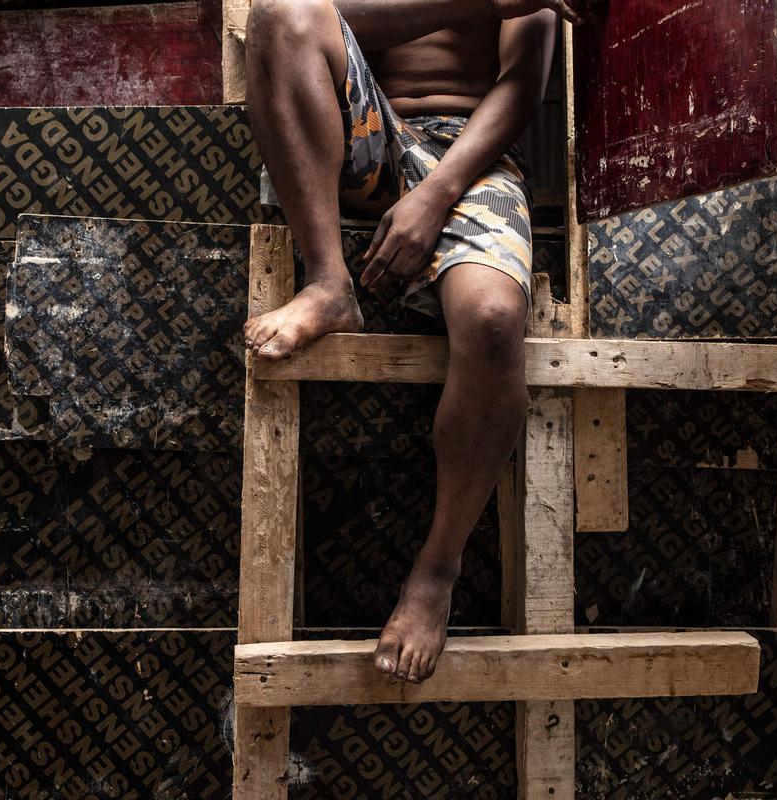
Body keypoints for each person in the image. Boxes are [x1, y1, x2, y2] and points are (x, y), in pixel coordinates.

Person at [243, 0, 582, 683]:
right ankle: (331, 284)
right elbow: (316, 26)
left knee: (491, 322)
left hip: (473, 155)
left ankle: (436, 570)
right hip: (360, 136)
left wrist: (437, 195)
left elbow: (522, 82)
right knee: (279, 11)